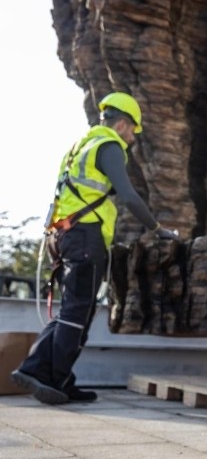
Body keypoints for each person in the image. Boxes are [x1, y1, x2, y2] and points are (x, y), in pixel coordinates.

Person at [11, 92, 180, 405]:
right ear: (122, 123)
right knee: (77, 311)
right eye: (132, 130)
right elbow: (128, 196)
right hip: (85, 237)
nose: (131, 138)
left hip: (63, 236)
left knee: (75, 310)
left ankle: (55, 376)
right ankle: (44, 373)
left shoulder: (81, 147)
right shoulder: (109, 146)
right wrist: (158, 229)